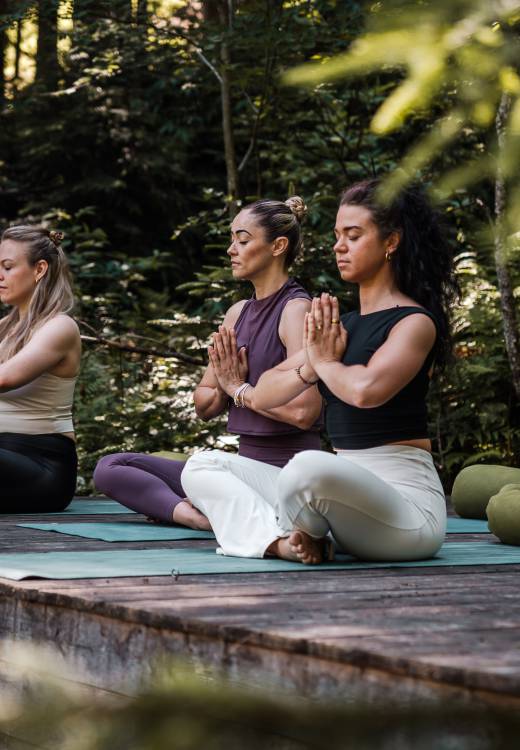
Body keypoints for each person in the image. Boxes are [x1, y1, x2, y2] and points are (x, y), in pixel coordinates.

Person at [181, 178, 459, 562]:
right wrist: (248, 385)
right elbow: (266, 390)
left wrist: (323, 362)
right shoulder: (339, 326)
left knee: (307, 467)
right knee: (202, 465)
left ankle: (298, 531)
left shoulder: (413, 323)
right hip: (342, 501)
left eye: (354, 235)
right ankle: (281, 543)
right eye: (337, 235)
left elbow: (366, 390)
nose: (339, 246)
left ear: (391, 242)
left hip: (407, 516)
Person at [94, 197, 322, 530]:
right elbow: (203, 403)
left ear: (278, 246)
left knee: (201, 467)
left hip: (282, 476)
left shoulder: (295, 309)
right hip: (237, 469)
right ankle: (198, 518)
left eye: (243, 240)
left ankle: (223, 512)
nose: (232, 249)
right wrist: (224, 389)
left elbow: (305, 411)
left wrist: (236, 388)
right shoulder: (237, 312)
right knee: (112, 466)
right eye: (233, 239)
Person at [0, 225, 81, 513]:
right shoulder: (5, 329)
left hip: (41, 467)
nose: (0, 275)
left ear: (39, 269)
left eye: (8, 267)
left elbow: (5, 378)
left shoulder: (59, 327)